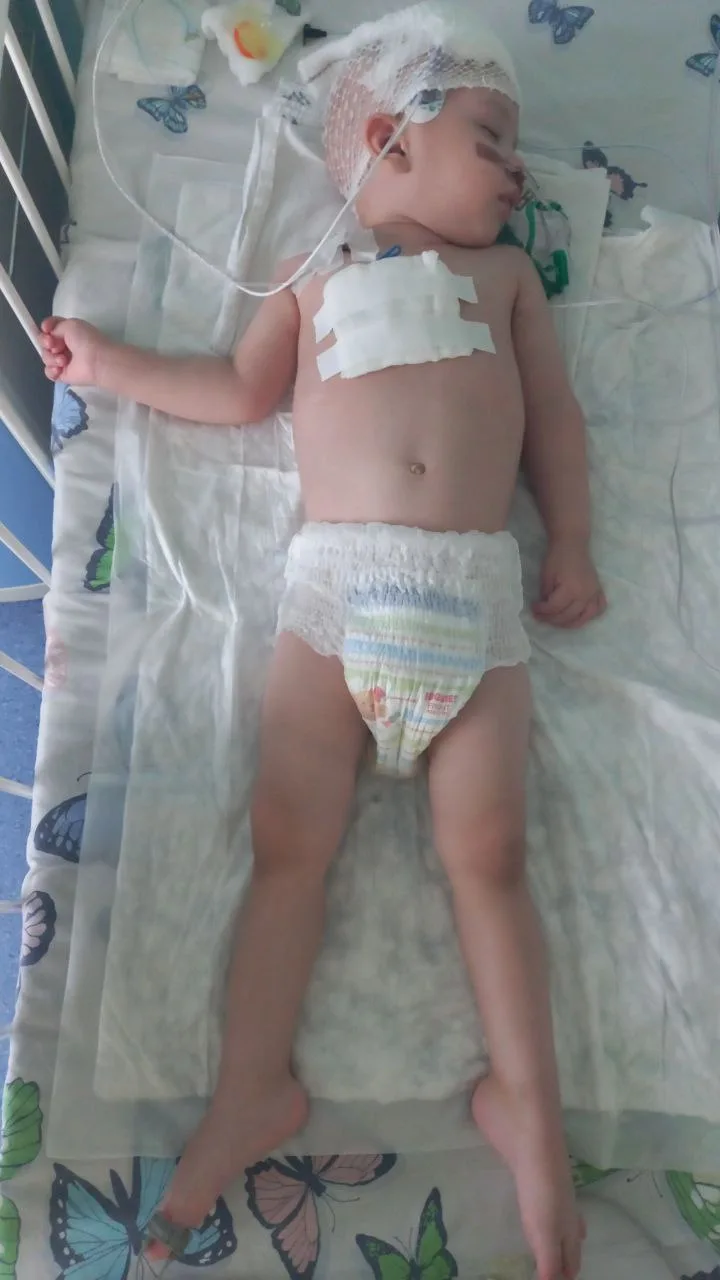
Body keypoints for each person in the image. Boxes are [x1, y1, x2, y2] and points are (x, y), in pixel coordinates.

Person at [41, 9, 605, 1277]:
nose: (519, 172)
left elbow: (556, 420)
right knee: (287, 844)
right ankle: (252, 1088)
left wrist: (571, 541)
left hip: (474, 596)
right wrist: (108, 366)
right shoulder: (315, 270)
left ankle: (529, 1106)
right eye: (492, 140)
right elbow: (235, 391)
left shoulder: (509, 281)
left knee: (492, 857)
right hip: (336, 595)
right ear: (387, 141)